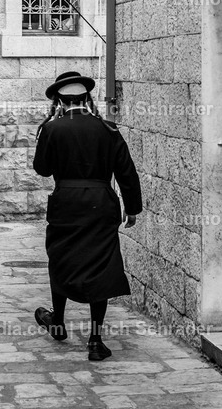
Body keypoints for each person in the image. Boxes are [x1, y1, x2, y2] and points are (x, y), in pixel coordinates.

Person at [32, 71, 142, 361]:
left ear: (59, 100)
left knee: (61, 259)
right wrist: (132, 208)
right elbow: (126, 173)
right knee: (100, 265)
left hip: (66, 204)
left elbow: (42, 169)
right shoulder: (108, 129)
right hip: (101, 204)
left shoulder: (52, 129)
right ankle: (95, 340)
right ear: (86, 98)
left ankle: (57, 320)